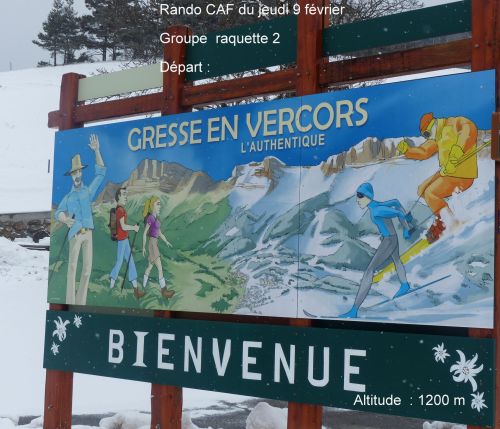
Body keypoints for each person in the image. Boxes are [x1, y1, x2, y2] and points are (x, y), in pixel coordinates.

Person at [397, 113, 478, 242]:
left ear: (433, 124)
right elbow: (424, 152)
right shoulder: (437, 135)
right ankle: (441, 216)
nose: (428, 138)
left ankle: (448, 222)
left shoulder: (454, 123)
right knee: (422, 189)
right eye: (425, 136)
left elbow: (469, 129)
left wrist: (456, 153)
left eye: (426, 134)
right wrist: (408, 151)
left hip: (462, 173)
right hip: (448, 172)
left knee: (431, 193)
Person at [339, 183, 412, 318]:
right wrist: (405, 225)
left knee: (369, 271)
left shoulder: (376, 210)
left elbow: (398, 213)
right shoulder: (376, 205)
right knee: (396, 260)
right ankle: (404, 284)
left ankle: (354, 311)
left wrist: (406, 227)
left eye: (360, 196)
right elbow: (395, 202)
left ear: (368, 197)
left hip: (389, 240)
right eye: (357, 196)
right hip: (392, 238)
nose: (357, 200)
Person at [55, 134, 106, 305]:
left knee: (86, 270)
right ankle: (70, 302)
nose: (77, 175)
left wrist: (97, 151)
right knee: (72, 268)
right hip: (75, 235)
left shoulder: (87, 192)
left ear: (82, 173)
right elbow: (58, 212)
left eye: (79, 172)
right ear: (71, 175)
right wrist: (65, 219)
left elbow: (101, 174)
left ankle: (80, 303)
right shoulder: (68, 197)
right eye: (74, 173)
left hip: (88, 234)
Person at [109, 187, 145, 298]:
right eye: (124, 194)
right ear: (119, 196)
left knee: (130, 262)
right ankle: (111, 284)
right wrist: (134, 228)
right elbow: (123, 226)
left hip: (124, 239)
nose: (126, 197)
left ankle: (135, 290)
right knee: (120, 262)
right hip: (122, 240)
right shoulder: (120, 210)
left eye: (126, 194)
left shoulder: (120, 209)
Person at [142, 196, 175, 299]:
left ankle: (143, 286)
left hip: (154, 243)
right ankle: (164, 291)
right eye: (158, 204)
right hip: (152, 244)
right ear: (152, 206)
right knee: (160, 268)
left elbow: (159, 233)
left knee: (150, 267)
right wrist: (143, 247)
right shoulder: (151, 218)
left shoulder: (156, 219)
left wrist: (166, 241)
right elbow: (144, 233)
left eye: (160, 204)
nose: (160, 206)